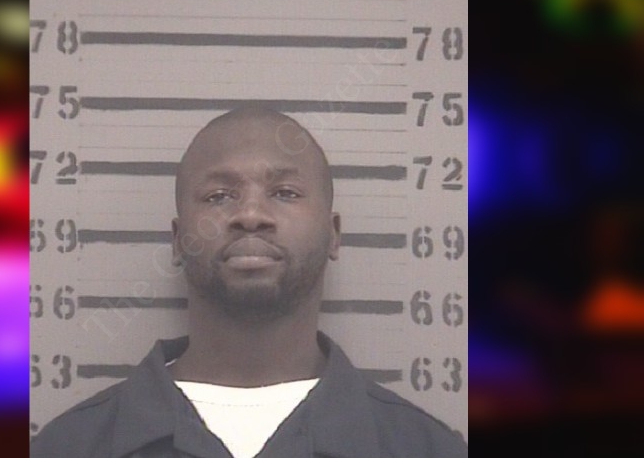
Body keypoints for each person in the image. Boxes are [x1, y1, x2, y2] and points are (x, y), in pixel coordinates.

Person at [30, 107, 468, 458]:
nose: (251, 215)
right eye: (219, 196)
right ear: (178, 240)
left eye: (285, 192)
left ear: (333, 234)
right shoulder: (68, 447)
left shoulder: (427, 449)